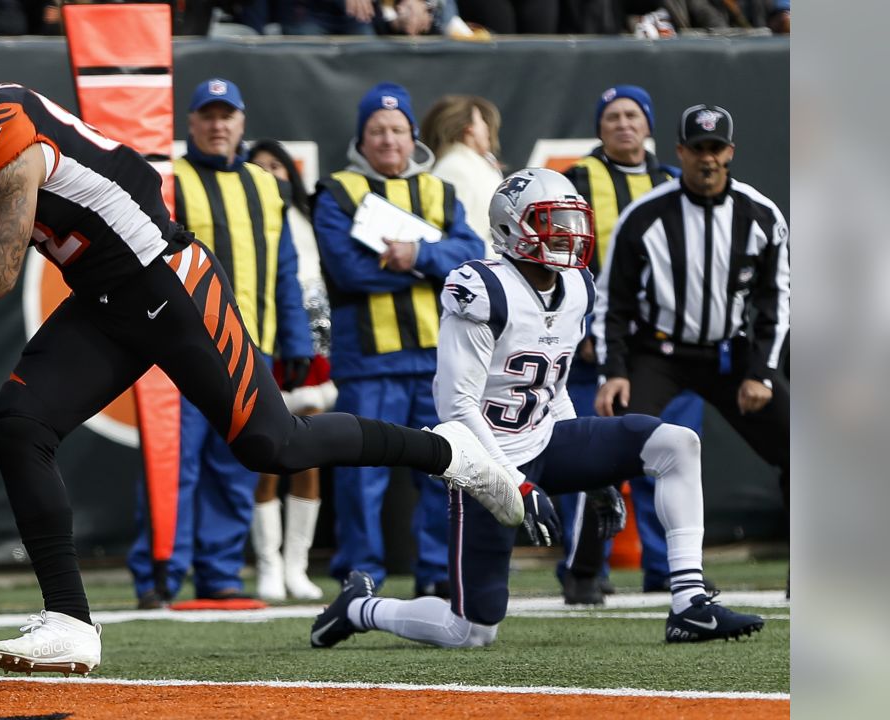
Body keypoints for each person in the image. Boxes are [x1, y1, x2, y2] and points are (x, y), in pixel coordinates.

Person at [0, 34, 520, 676]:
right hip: (105, 297)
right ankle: (70, 622)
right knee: (19, 426)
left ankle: (452, 455)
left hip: (165, 279)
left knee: (276, 446)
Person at [310, 168, 767, 650]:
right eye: (552, 221)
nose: (568, 233)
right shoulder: (481, 287)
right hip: (482, 462)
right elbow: (455, 407)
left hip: (545, 438)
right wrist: (516, 481)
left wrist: (590, 471)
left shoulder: (577, 287)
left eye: (572, 220)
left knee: (677, 443)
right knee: (470, 630)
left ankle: (689, 605)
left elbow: (554, 387)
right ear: (511, 227)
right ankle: (360, 608)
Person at [125, 80, 314, 608]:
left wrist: (295, 342)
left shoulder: (265, 184)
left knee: (237, 465)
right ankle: (162, 573)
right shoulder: (170, 180)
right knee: (174, 465)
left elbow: (285, 269)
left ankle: (221, 574)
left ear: (241, 121)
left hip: (252, 348)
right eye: (207, 114)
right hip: (181, 347)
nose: (217, 124)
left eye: (226, 114)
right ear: (190, 122)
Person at [313, 82, 488, 598]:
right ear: (361, 139)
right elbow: (347, 272)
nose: (388, 140)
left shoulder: (439, 190)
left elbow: (470, 254)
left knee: (442, 471)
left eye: (397, 129)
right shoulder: (337, 191)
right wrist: (429, 266)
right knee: (361, 478)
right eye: (377, 130)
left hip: (437, 361)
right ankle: (360, 574)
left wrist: (418, 256)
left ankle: (437, 572)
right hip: (368, 361)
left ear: (414, 136)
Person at [594, 104, 790, 515]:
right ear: (680, 151)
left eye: (715, 148)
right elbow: (614, 300)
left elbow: (777, 299)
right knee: (607, 455)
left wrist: (762, 373)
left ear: (730, 152)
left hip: (728, 355)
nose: (708, 159)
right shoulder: (644, 216)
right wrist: (614, 370)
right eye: (698, 148)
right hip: (657, 353)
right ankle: (583, 575)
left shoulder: (760, 215)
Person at [560, 84, 703, 603]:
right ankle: (582, 569)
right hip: (599, 345)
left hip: (665, 346)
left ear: (649, 125)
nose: (623, 124)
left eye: (633, 115)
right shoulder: (578, 177)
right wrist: (585, 329)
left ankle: (668, 569)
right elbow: (564, 258)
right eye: (613, 117)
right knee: (594, 458)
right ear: (600, 128)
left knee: (669, 451)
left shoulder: (672, 180)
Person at [247, 138, 336, 601]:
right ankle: (268, 565)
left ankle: (297, 567)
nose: (269, 175)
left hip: (312, 349)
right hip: (263, 341)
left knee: (310, 454)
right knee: (266, 454)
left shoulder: (309, 216)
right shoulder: (248, 216)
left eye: (276, 166)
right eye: (258, 168)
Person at [421, 94, 504, 253]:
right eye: (481, 120)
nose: (487, 127)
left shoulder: (475, 164)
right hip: (478, 269)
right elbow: (458, 236)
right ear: (468, 127)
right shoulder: (453, 168)